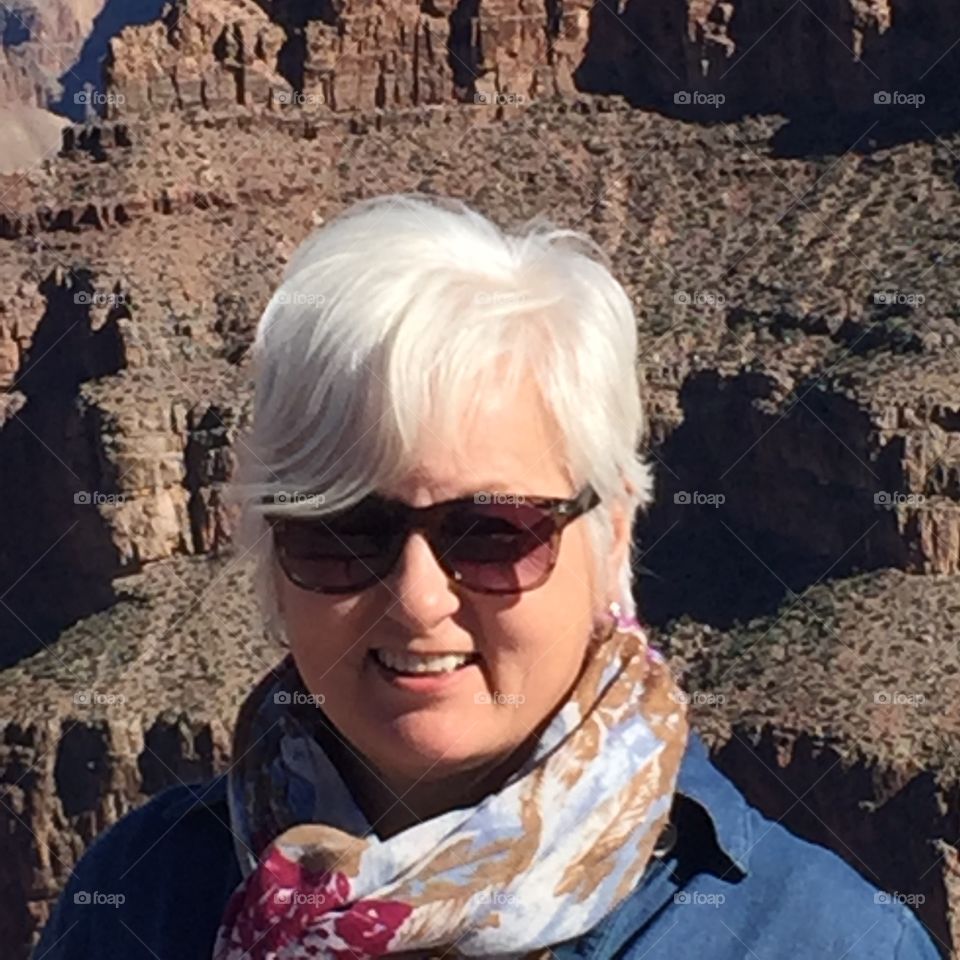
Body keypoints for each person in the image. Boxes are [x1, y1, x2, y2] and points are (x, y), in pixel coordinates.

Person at [32, 194, 941, 959]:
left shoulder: (818, 940)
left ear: (612, 532)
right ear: (272, 555)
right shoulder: (143, 896)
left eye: (493, 531)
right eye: (343, 532)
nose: (418, 599)